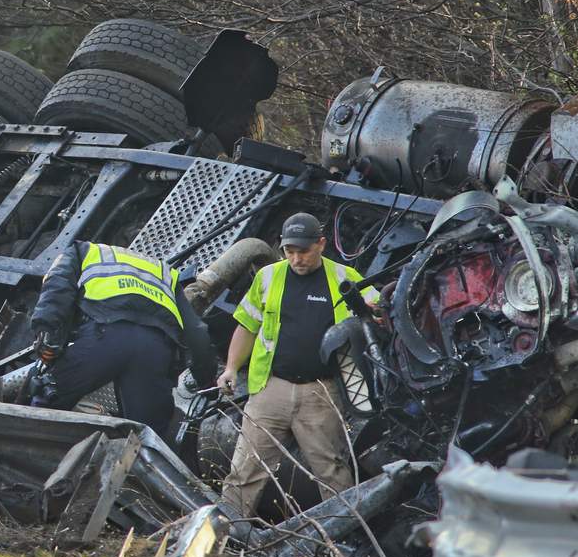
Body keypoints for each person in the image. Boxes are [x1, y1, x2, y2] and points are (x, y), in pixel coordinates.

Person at [216, 212, 379, 520]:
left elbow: (379, 316)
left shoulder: (346, 279)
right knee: (245, 470)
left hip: (321, 393)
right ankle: (226, 531)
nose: (296, 258)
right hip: (270, 390)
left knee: (332, 473)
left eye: (303, 251)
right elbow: (247, 325)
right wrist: (231, 368)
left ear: (321, 244)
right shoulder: (268, 277)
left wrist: (376, 311)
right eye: (289, 251)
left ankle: (343, 538)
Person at [28, 239, 213, 440]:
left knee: (44, 403)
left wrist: (48, 335)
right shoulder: (166, 273)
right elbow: (197, 332)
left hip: (105, 337)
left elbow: (57, 288)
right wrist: (207, 379)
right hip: (155, 352)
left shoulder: (81, 251)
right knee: (147, 438)